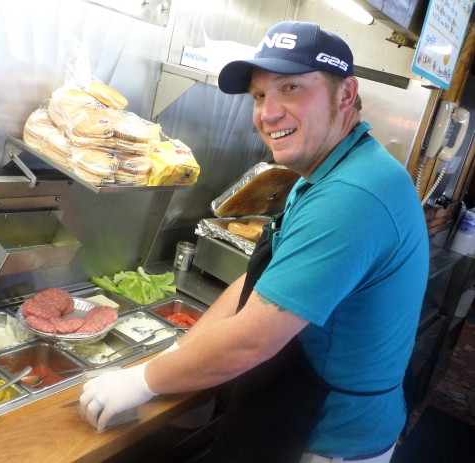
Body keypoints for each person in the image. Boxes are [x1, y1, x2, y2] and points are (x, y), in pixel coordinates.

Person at [80, 21, 429, 463]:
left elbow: (252, 340)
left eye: (291, 89)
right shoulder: (331, 169)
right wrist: (178, 353)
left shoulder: (351, 196)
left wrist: (141, 380)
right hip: (300, 419)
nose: (269, 112)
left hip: (326, 442)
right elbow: (256, 281)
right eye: (260, 96)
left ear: (345, 94)